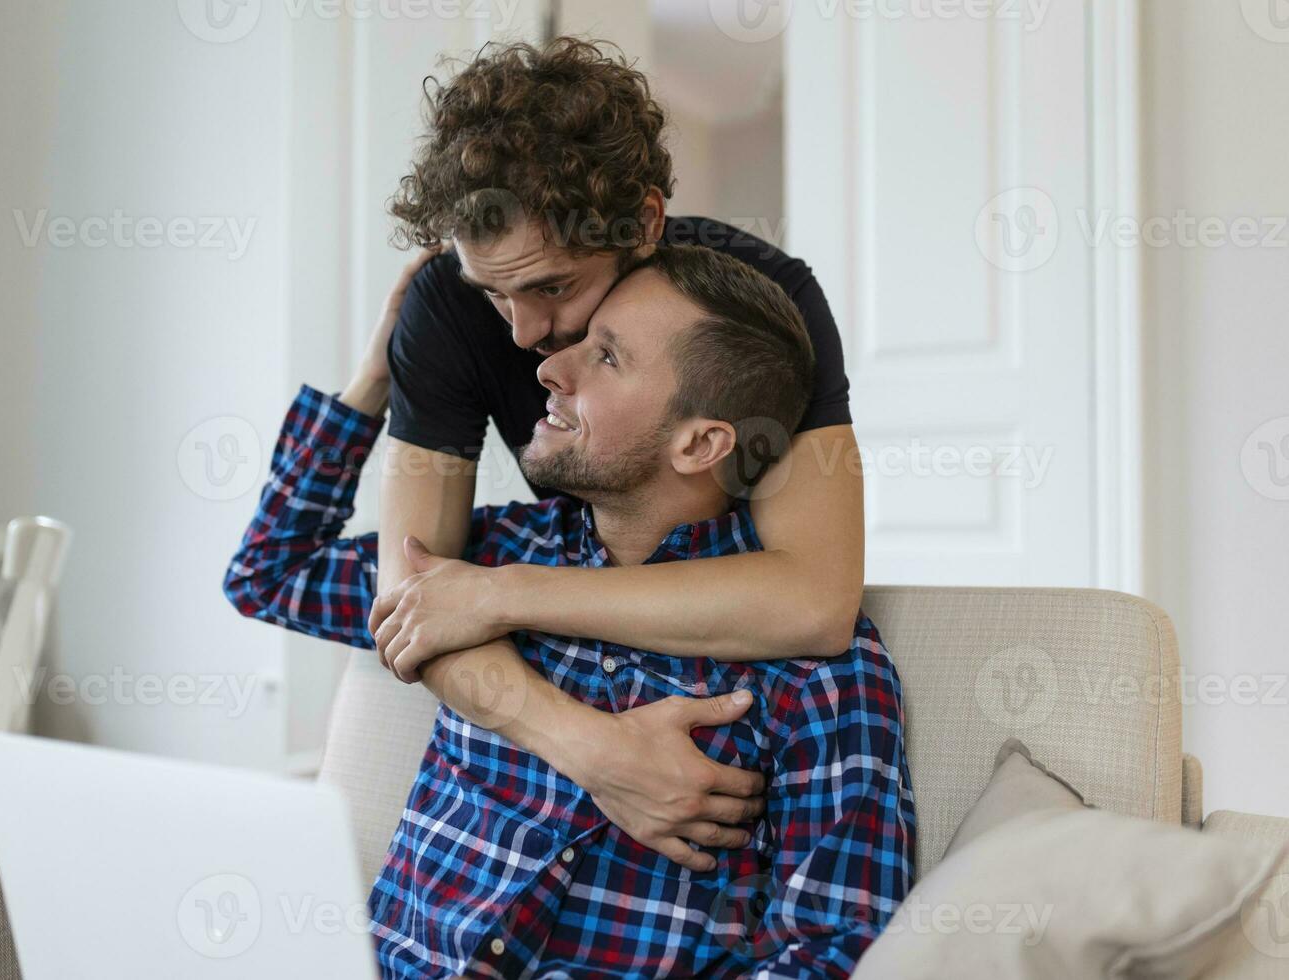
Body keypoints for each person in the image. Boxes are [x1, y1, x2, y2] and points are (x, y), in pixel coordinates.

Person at [226, 245, 914, 978]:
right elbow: (270, 572)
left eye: (607, 358)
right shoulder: (478, 564)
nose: (549, 369)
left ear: (701, 442)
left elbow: (830, 950)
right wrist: (378, 380)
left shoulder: (822, 676)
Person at [364, 37, 868, 871]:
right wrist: (592, 751)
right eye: (494, 292)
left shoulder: (761, 304)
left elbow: (813, 599)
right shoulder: (445, 310)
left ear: (642, 223)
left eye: (553, 288)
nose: (525, 338)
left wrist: (499, 596)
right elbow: (413, 607)